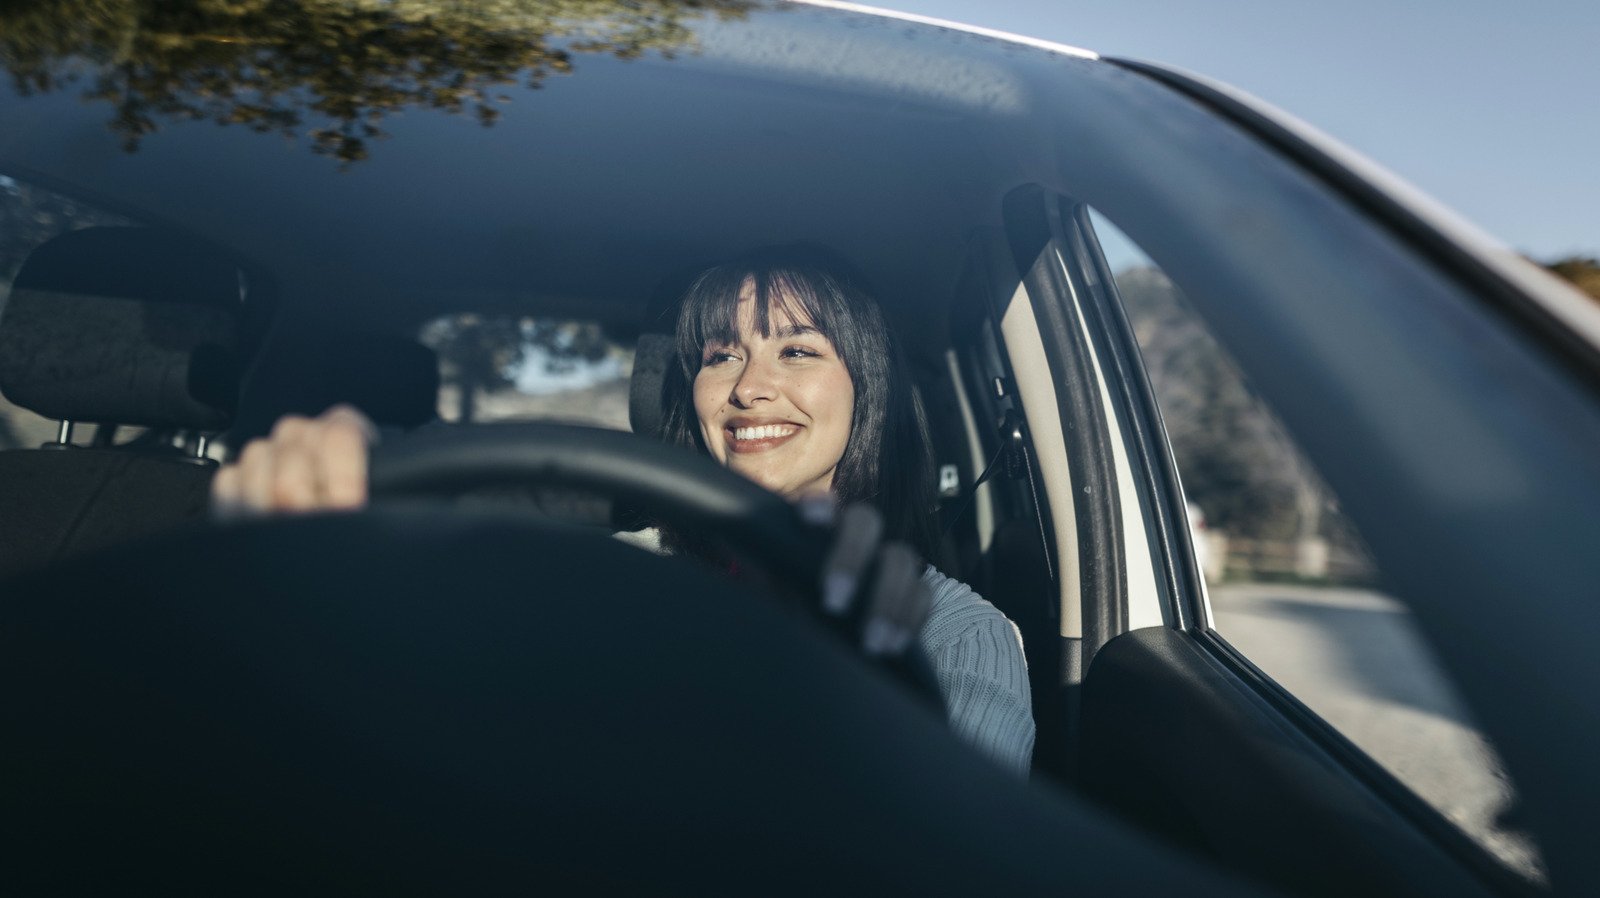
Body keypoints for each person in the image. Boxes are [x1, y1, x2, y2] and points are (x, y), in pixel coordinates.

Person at [211, 246, 1036, 773]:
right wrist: (335, 522)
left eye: (797, 350)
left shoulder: (959, 639)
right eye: (722, 356)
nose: (750, 387)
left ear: (870, 394)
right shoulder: (608, 572)